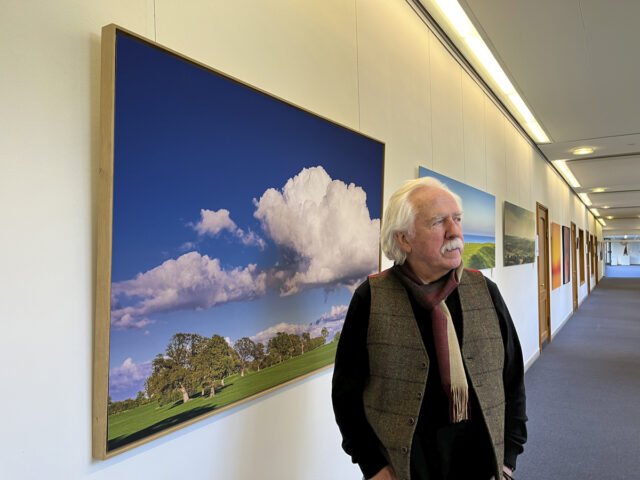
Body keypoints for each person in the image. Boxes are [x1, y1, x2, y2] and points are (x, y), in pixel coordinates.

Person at [332, 177, 527, 480]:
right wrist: (373, 467)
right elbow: (346, 396)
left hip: (482, 466)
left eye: (457, 219)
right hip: (409, 470)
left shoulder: (484, 290)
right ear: (404, 239)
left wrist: (507, 459)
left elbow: (512, 378)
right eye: (438, 222)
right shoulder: (372, 297)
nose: (455, 231)